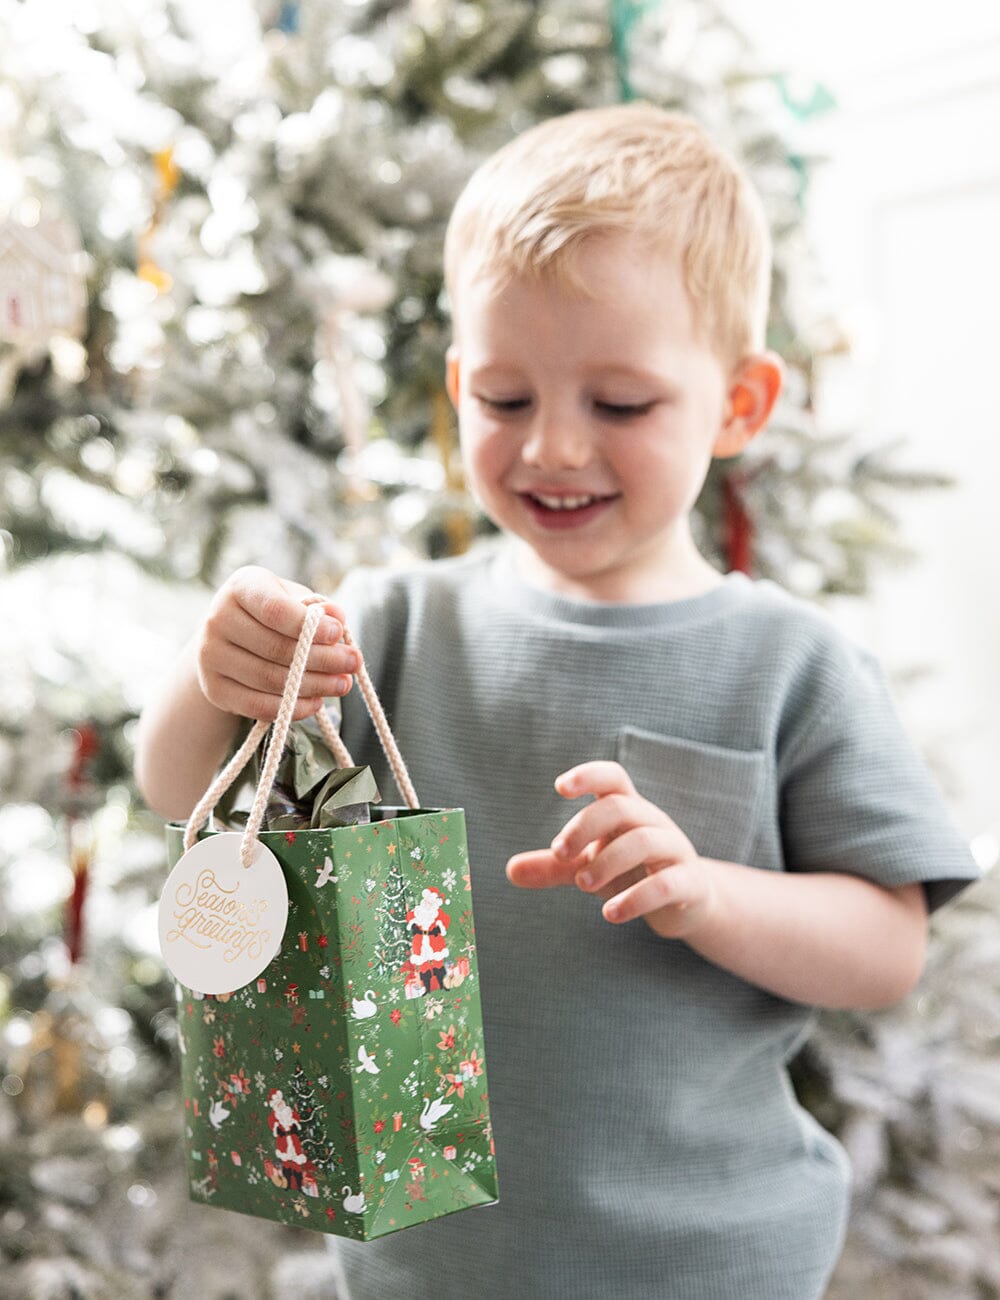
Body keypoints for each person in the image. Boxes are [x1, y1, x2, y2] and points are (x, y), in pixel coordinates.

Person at [135, 103, 981, 1299]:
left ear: (738, 404)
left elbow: (887, 945)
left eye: (620, 404)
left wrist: (707, 896)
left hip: (705, 1261)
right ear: (454, 387)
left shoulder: (790, 662)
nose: (552, 451)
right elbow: (184, 792)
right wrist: (207, 672)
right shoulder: (390, 623)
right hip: (421, 1265)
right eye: (504, 399)